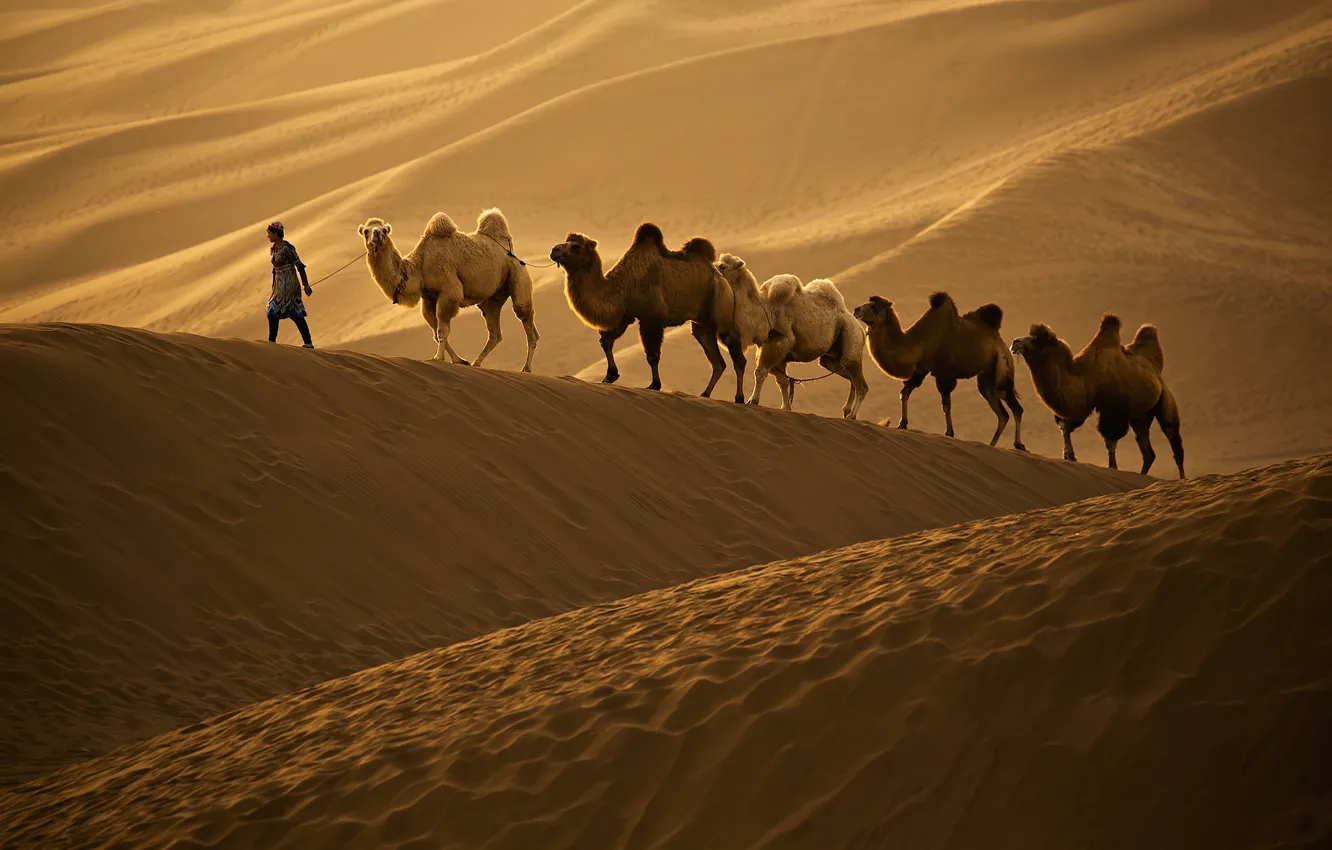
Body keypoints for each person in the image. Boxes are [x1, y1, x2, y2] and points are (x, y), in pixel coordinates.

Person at [266, 220, 314, 348]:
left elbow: (300, 267)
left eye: (270, 233)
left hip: (290, 284)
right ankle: (308, 342)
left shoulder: (287, 248)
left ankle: (271, 342)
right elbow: (274, 270)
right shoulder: (274, 249)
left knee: (273, 310)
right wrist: (274, 285)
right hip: (279, 285)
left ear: (276, 233)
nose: (268, 236)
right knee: (294, 313)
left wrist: (306, 285)